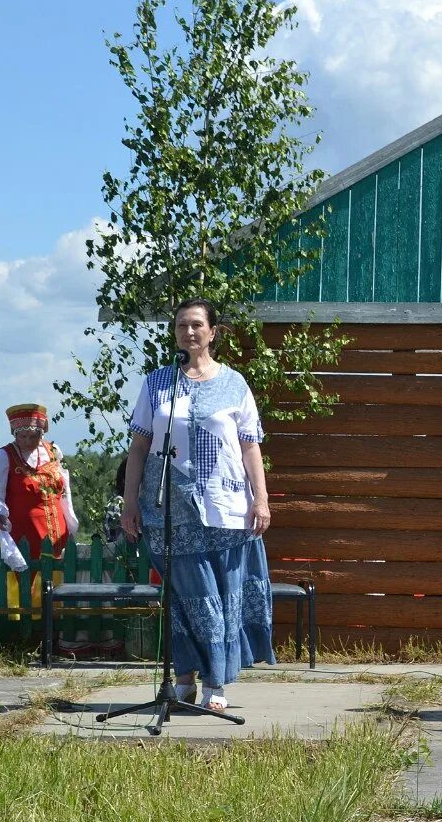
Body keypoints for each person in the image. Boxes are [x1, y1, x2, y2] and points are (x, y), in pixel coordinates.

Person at [121, 298, 274, 712]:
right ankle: (183, 678)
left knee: (217, 597)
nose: (188, 333)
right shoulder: (157, 383)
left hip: (226, 508)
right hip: (169, 510)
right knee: (185, 598)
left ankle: (215, 684)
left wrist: (261, 498)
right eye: (181, 326)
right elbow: (138, 447)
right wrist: (129, 501)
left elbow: (249, 447)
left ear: (212, 332)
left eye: (195, 325)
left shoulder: (234, 383)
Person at [0, 405, 79, 607]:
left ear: (42, 432)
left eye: (33, 436)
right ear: (14, 433)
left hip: (56, 531)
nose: (27, 441)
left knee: (54, 573)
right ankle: (21, 629)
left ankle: (55, 624)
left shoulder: (53, 452)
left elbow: (64, 490)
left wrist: (71, 522)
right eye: (22, 437)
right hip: (23, 532)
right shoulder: (3, 457)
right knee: (25, 576)